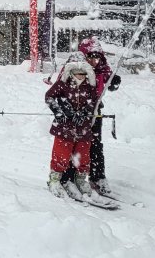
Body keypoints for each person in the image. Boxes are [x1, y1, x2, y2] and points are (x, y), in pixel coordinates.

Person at [45, 60, 114, 206]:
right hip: (65, 127)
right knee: (61, 154)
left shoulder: (89, 87)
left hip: (83, 127)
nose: (80, 76)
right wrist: (59, 111)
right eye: (77, 73)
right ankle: (54, 179)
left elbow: (94, 102)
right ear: (71, 73)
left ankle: (81, 179)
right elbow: (49, 96)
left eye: (83, 73)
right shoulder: (63, 84)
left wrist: (84, 112)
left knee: (83, 155)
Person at [63, 37, 122, 195]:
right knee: (74, 144)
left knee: (95, 144)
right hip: (75, 112)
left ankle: (97, 176)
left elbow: (109, 84)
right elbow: (61, 86)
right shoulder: (75, 66)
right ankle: (69, 177)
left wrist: (114, 82)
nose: (94, 61)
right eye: (90, 57)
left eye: (96, 57)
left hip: (94, 111)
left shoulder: (102, 67)